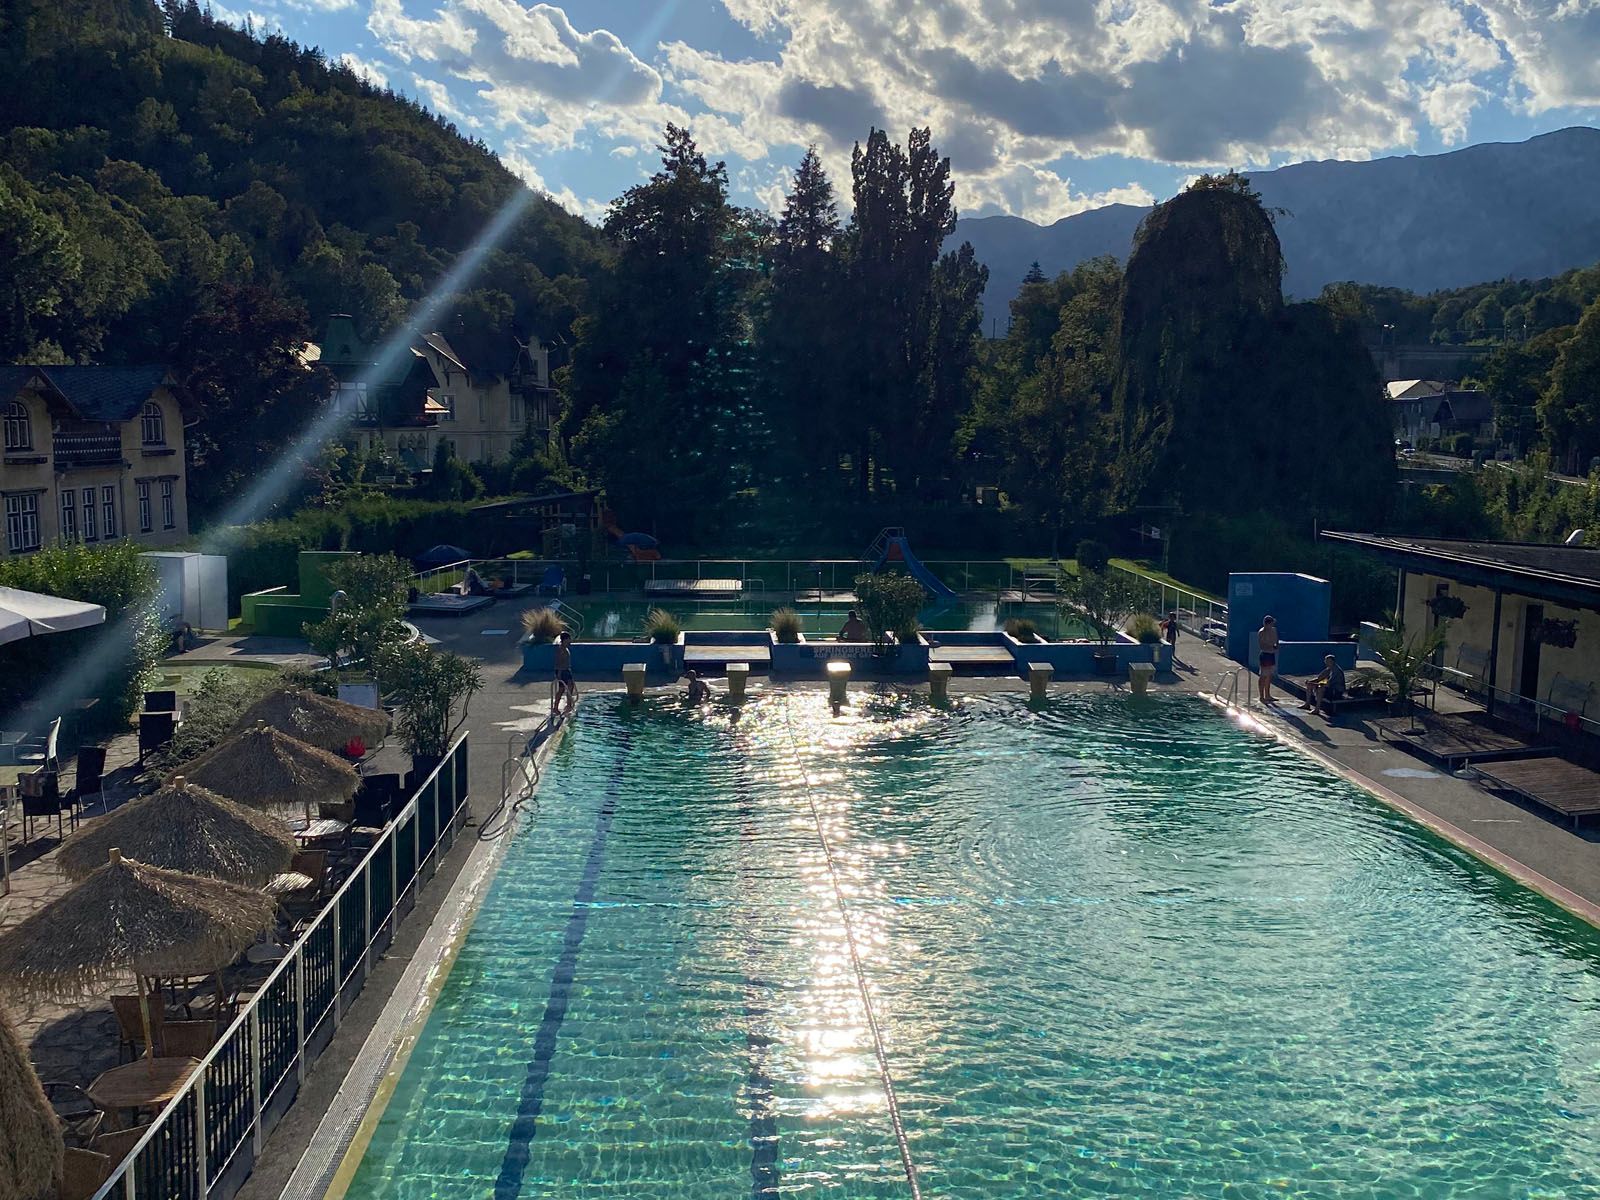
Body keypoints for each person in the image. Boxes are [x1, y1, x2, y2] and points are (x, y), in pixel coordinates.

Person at [552, 631, 576, 719]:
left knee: (571, 686)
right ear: (565, 640)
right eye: (568, 639)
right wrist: (559, 673)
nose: (570, 641)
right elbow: (558, 663)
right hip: (562, 671)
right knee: (561, 689)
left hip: (566, 670)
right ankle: (555, 707)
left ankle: (568, 704)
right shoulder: (560, 649)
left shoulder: (565, 648)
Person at [1257, 614, 1280, 704]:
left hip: (1271, 654)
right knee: (1263, 675)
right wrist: (1271, 646)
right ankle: (1261, 696)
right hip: (1265, 654)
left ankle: (1268, 694)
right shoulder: (1262, 632)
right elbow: (1262, 645)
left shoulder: (1274, 630)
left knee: (1269, 675)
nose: (1272, 626)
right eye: (1270, 624)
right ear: (1266, 624)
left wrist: (1276, 645)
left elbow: (1276, 640)